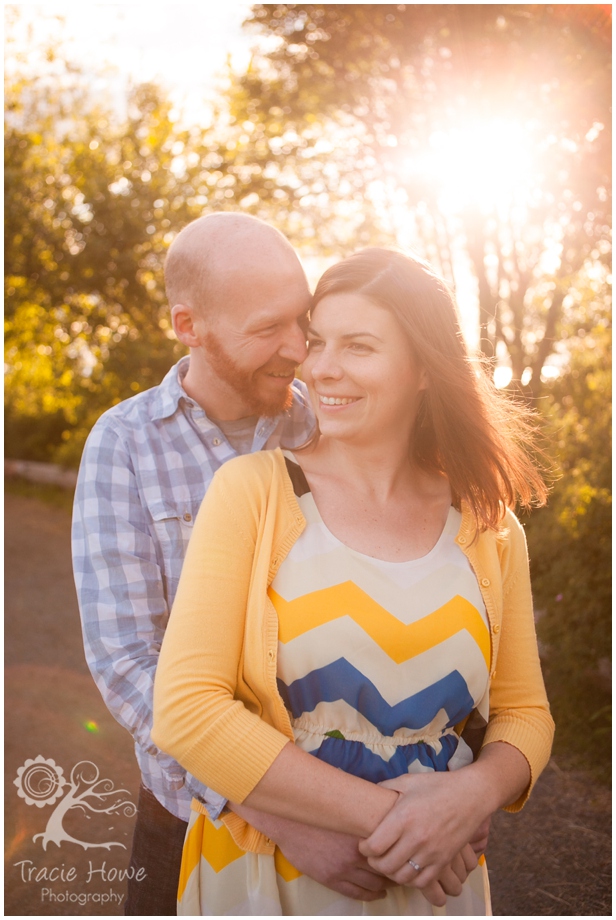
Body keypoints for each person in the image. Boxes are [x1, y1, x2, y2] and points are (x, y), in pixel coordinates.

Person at [153, 247, 555, 916]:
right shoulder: (255, 492)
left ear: (425, 368)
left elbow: (524, 712)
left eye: (359, 346)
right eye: (318, 342)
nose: (322, 368)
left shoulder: (490, 525)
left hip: (437, 890)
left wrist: (476, 792)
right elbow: (188, 711)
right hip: (265, 881)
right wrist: (399, 821)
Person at [73, 215, 410, 915]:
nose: (298, 352)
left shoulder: (331, 417)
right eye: (268, 330)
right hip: (197, 820)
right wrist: (276, 814)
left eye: (303, 321)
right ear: (188, 326)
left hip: (364, 808)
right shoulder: (125, 445)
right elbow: (130, 662)